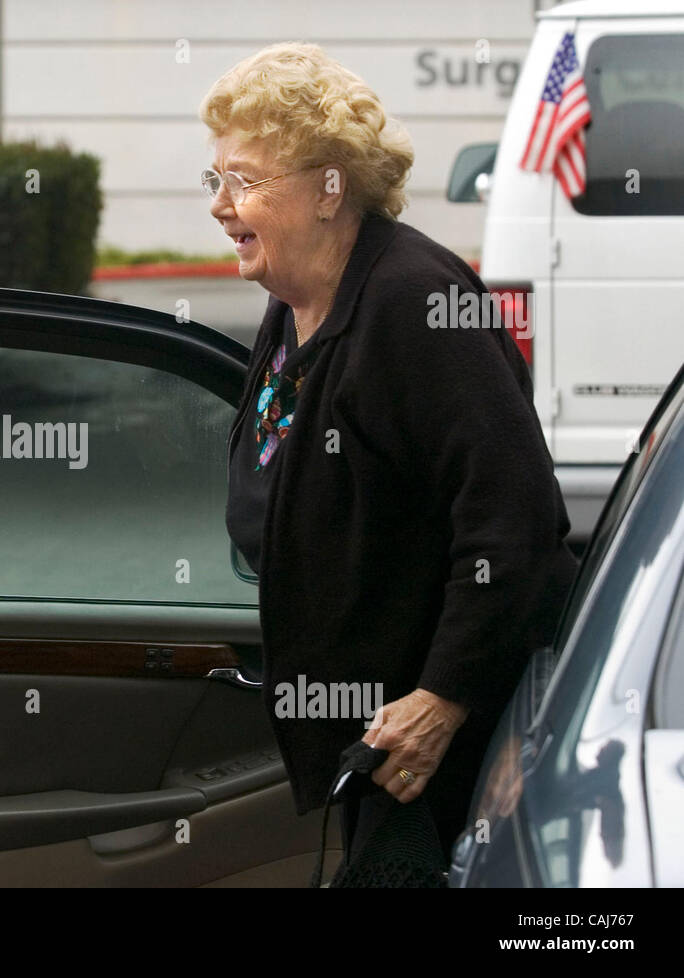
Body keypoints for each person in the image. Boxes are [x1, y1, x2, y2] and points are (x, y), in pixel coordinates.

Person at [206, 42, 578, 871]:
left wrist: (442, 699)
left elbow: (515, 524)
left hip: (446, 748)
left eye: (245, 180)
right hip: (376, 742)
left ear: (330, 186)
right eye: (215, 180)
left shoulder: (412, 302)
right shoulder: (298, 301)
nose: (222, 204)